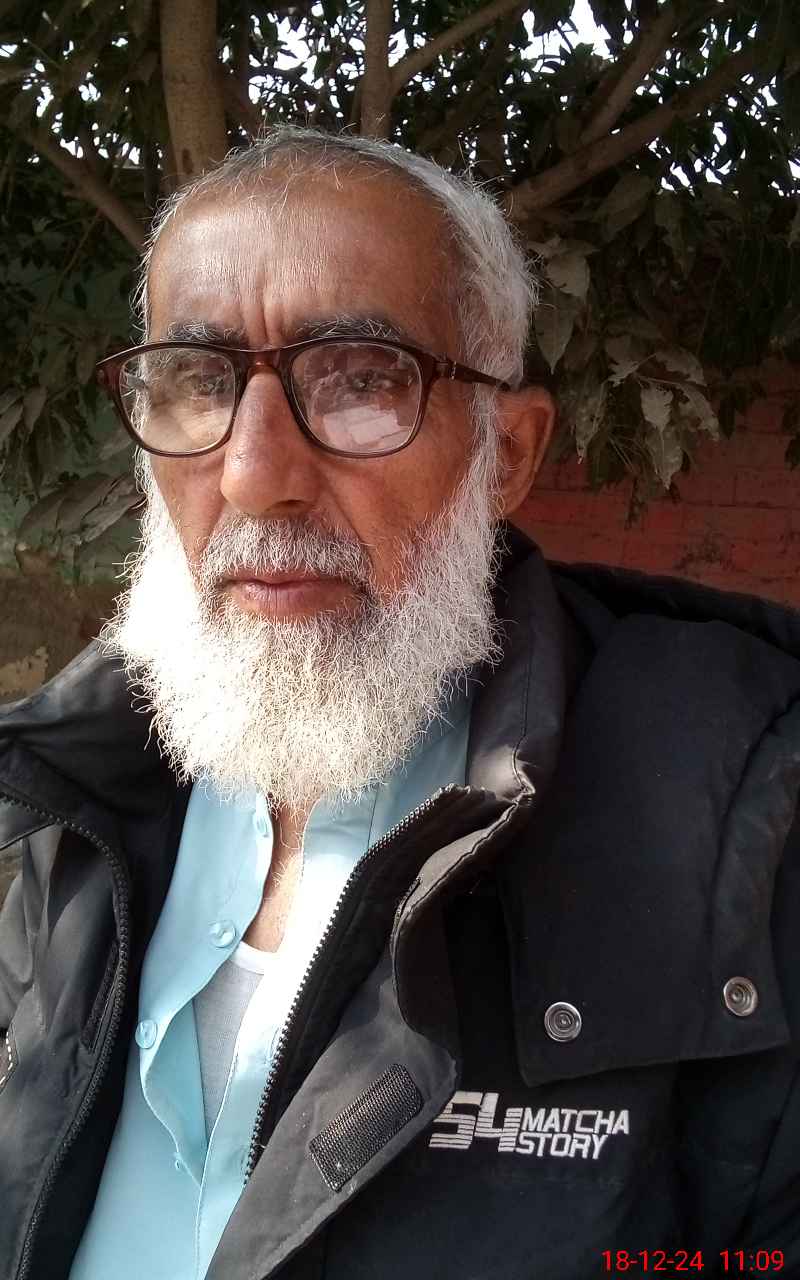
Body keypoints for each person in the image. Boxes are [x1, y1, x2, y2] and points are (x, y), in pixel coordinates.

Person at [1, 125, 799, 1280]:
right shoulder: (76, 792)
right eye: (198, 382)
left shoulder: (750, 822)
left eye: (361, 380)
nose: (253, 474)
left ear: (506, 450)